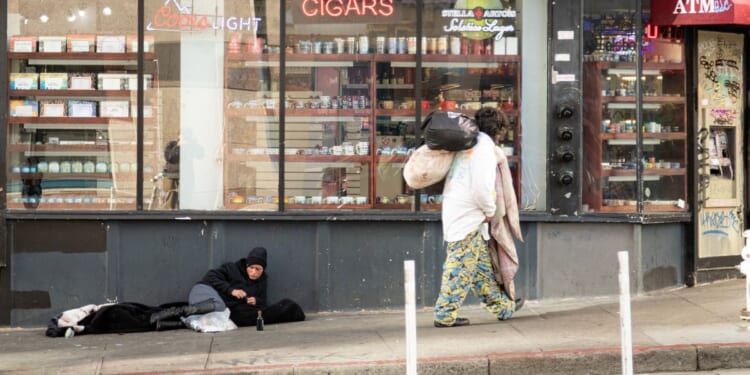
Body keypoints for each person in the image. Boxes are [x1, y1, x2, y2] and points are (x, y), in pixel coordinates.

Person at [433, 107, 522, 328]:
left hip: (458, 209)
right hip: (469, 215)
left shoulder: (471, 144)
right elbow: (482, 188)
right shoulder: (484, 150)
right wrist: (490, 211)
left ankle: (502, 307)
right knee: (459, 267)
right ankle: (444, 314)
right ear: (500, 130)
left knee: (480, 267)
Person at [181, 247, 305, 326]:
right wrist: (231, 290)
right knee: (221, 307)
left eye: (258, 269)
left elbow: (263, 301)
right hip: (207, 293)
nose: (254, 272)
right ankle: (180, 312)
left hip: (233, 309)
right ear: (246, 265)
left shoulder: (262, 280)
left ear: (263, 269)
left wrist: (256, 300)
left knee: (255, 314)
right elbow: (210, 277)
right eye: (251, 268)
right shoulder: (232, 268)